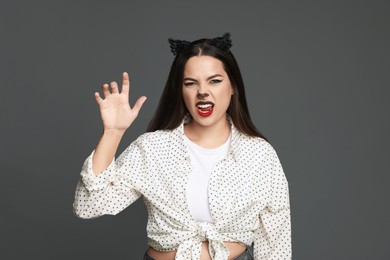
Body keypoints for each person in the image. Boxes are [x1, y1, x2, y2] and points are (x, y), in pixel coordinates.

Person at [73, 33, 291, 260]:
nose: (203, 92)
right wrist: (113, 133)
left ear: (233, 86)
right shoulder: (153, 148)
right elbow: (89, 205)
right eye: (190, 83)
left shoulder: (259, 154)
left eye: (214, 81)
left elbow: (275, 243)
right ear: (180, 90)